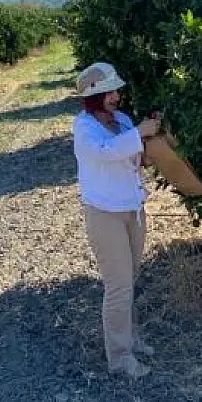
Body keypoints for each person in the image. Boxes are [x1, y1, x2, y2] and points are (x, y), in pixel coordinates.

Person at [72, 62, 162, 379]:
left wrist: (148, 145)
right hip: (104, 213)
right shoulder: (84, 128)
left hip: (132, 209)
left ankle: (131, 339)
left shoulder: (121, 121)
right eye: (110, 91)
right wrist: (139, 133)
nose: (116, 95)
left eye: (116, 90)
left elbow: (132, 158)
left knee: (130, 279)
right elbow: (105, 152)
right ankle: (120, 359)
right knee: (119, 285)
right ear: (95, 96)